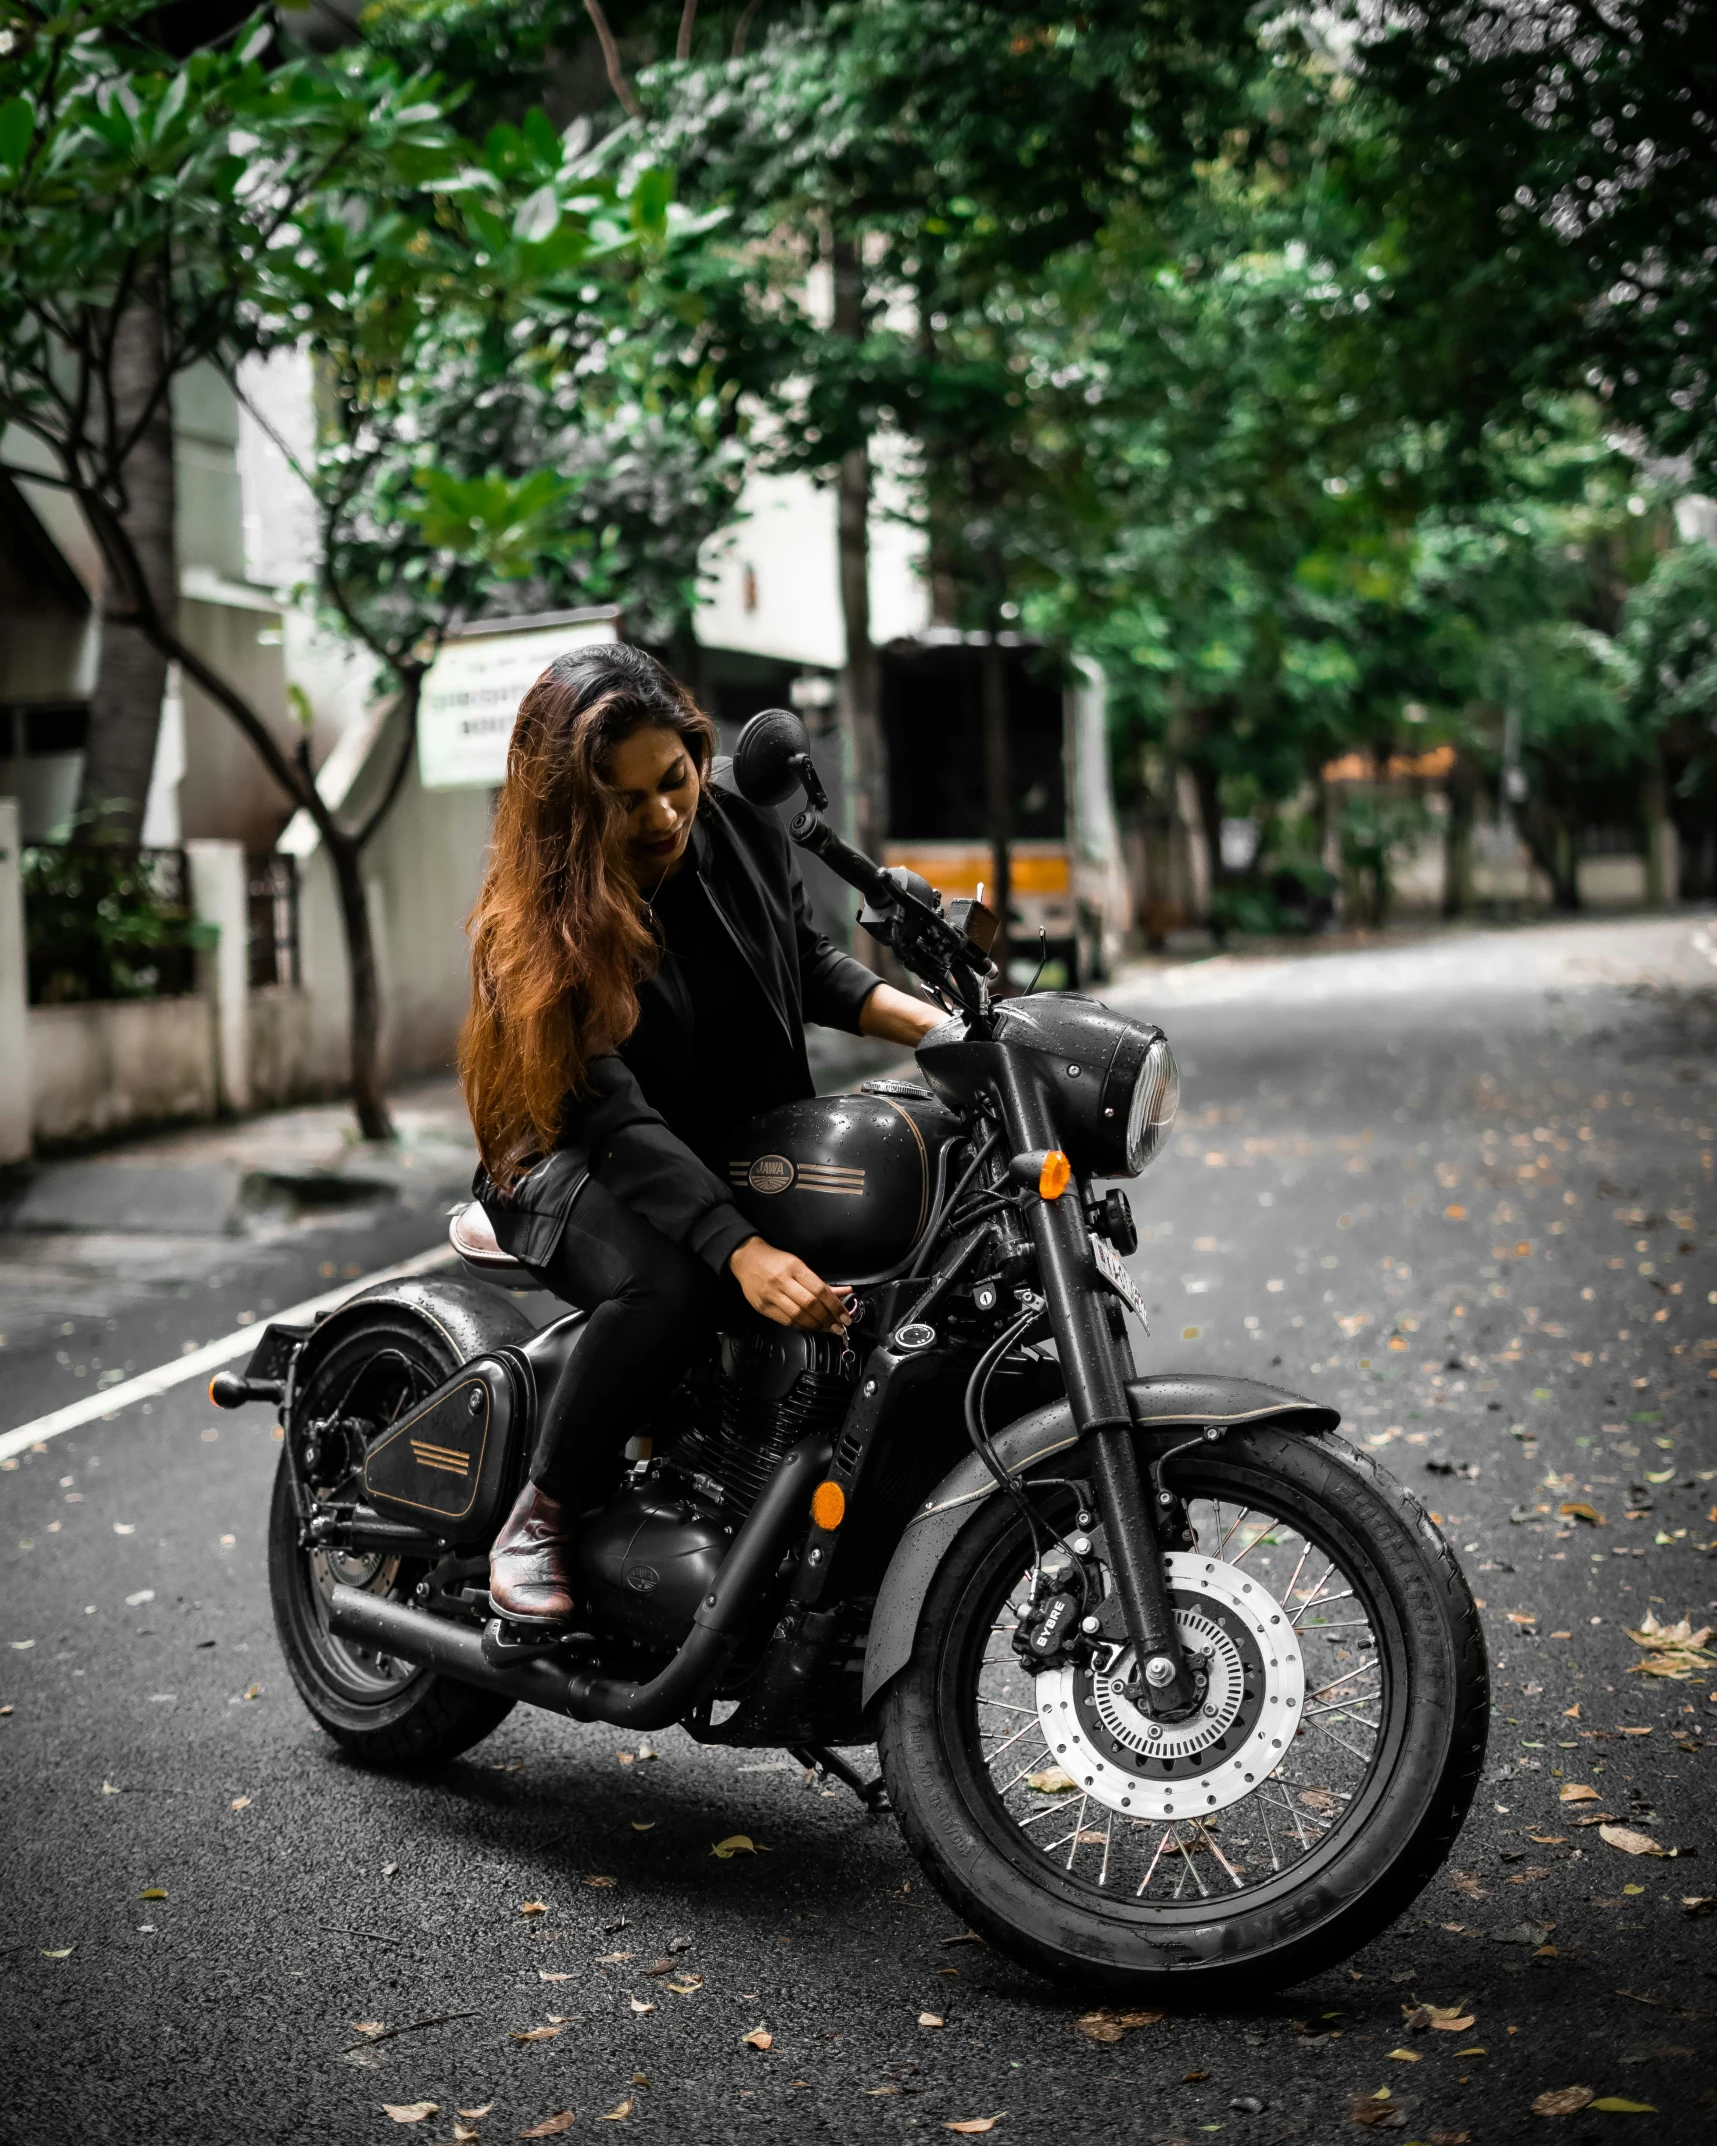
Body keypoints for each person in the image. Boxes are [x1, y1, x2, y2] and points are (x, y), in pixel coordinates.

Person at [460, 644, 941, 1623]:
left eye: (672, 779)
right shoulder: (544, 921)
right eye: (623, 801)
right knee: (674, 1280)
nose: (662, 814)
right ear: (571, 807)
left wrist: (938, 1027)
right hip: (564, 1156)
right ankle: (544, 1509)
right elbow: (612, 1117)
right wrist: (742, 1248)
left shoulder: (738, 823)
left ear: (694, 750)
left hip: (711, 1140)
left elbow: (804, 962)